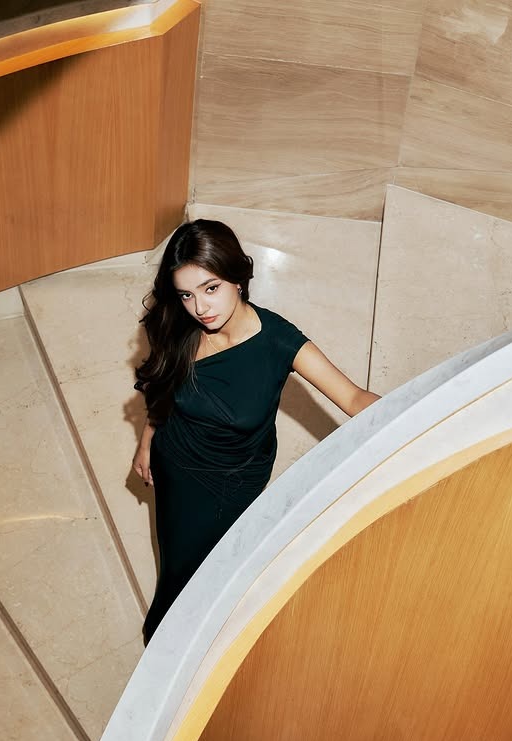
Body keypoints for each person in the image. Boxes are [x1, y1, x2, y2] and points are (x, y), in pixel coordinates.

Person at [133, 219, 379, 642]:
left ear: (237, 278)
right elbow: (162, 390)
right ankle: (167, 633)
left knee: (216, 561)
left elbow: (354, 397)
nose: (200, 308)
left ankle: (186, 631)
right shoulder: (178, 325)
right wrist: (146, 442)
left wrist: (430, 416)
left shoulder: (278, 341)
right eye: (187, 294)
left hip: (233, 480)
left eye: (211, 288)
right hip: (176, 461)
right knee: (177, 558)